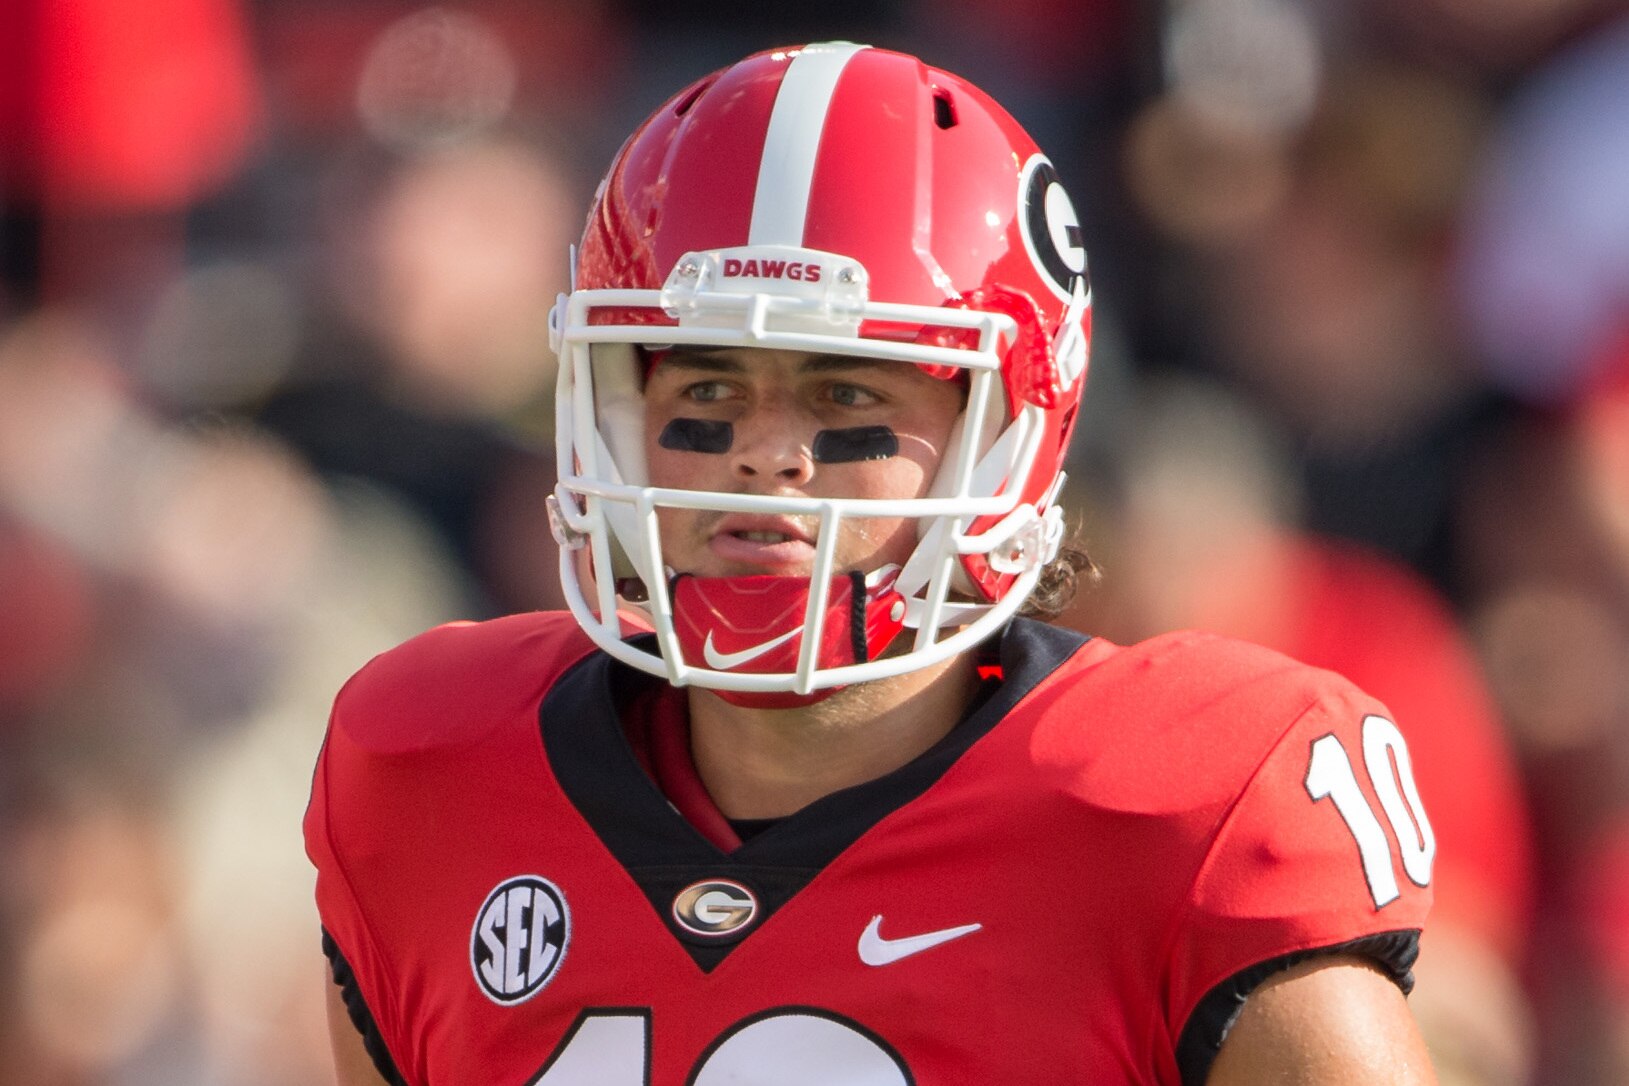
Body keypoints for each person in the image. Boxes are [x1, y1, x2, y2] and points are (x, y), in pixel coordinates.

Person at [305, 42, 1439, 1085]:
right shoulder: (432, 775)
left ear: (1007, 431)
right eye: (707, 390)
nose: (763, 459)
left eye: (845, 393)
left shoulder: (1184, 814)